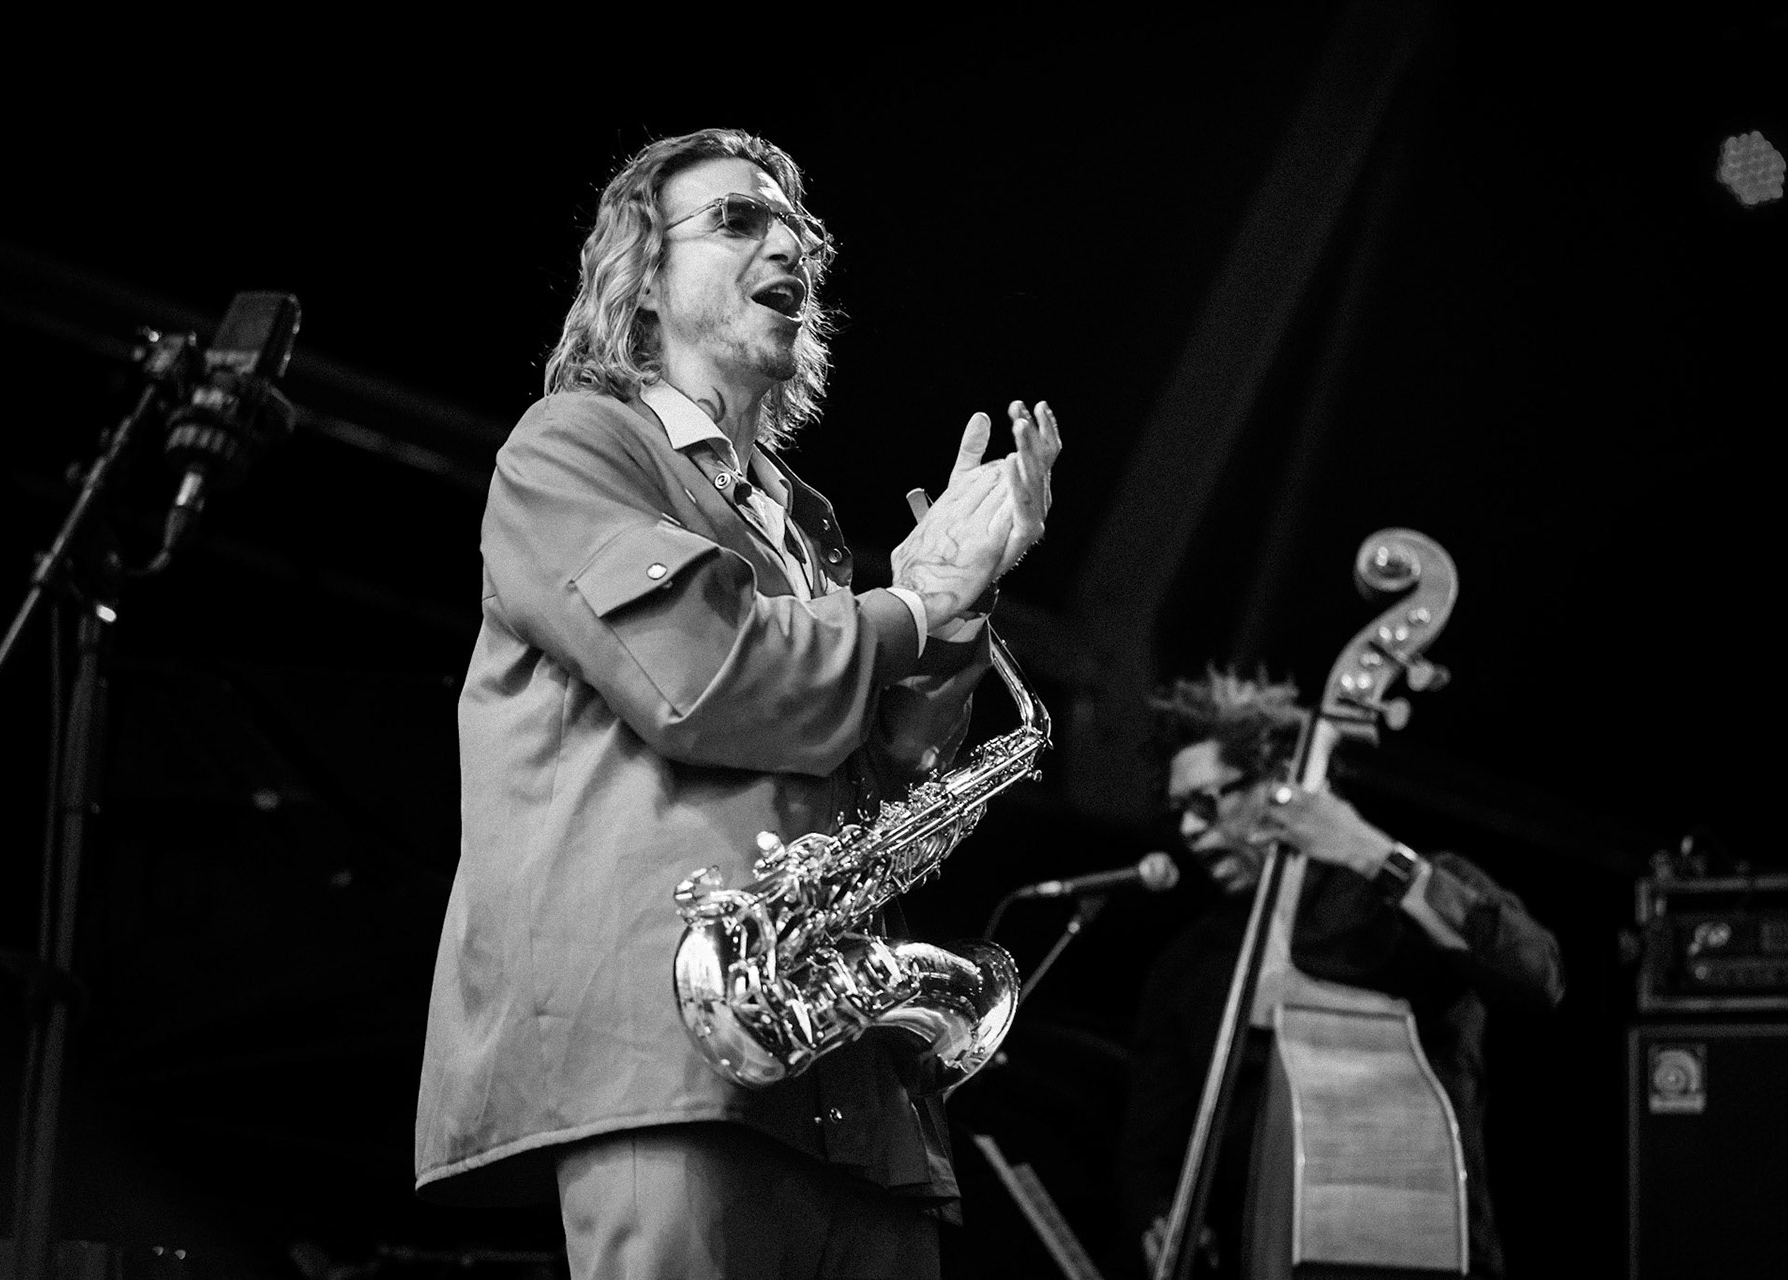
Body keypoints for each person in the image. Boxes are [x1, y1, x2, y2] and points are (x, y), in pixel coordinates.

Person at [412, 128, 1060, 1280]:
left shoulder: (803, 520)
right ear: (641, 282)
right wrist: (906, 607)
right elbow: (703, 679)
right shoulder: (573, 446)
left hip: (847, 1071)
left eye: (797, 225)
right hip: (668, 1050)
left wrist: (953, 616)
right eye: (738, 219)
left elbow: (890, 775)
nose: (789, 242)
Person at [1118, 668, 1564, 1278]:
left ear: (1282, 782)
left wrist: (1368, 851)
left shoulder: (1409, 895)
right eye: (1179, 812)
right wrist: (1158, 1219)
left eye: (1206, 801)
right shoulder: (1188, 963)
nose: (1190, 830)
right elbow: (1152, 1146)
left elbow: (1536, 975)